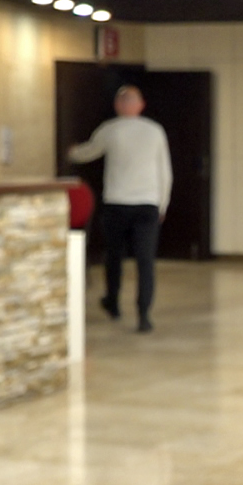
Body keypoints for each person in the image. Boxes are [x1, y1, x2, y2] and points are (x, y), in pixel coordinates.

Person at [68, 85, 173, 333]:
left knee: (114, 256)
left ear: (118, 106)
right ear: (141, 105)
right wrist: (163, 203)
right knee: (145, 261)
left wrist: (70, 152)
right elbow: (165, 171)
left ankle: (113, 303)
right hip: (148, 204)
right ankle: (144, 314)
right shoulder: (155, 131)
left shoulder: (110, 130)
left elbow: (88, 152)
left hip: (117, 203)